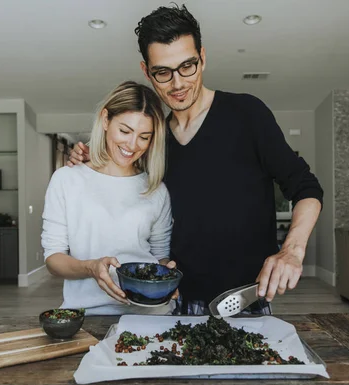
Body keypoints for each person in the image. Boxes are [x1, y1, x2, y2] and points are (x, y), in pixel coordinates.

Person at [68, 5, 323, 315]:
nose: (177, 83)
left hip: (245, 302)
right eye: (163, 72)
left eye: (187, 66)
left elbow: (306, 187)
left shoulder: (248, 114)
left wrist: (292, 251)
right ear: (147, 71)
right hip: (175, 303)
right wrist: (85, 162)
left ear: (202, 57)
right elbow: (119, 188)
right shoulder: (154, 139)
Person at [41, 81, 174, 315]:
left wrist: (167, 274)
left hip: (149, 316)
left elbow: (160, 255)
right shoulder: (67, 180)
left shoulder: (156, 189)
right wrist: (91, 267)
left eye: (144, 136)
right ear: (105, 120)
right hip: (87, 314)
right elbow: (53, 259)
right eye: (125, 131)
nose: (132, 145)